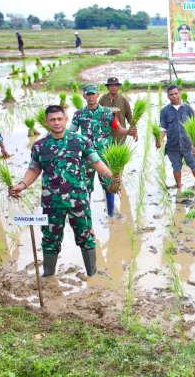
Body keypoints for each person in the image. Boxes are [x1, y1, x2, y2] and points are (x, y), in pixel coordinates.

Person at [9, 105, 120, 278]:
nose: (57, 123)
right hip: (52, 203)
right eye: (52, 120)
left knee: (85, 237)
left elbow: (96, 162)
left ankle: (92, 275)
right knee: (50, 240)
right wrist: (22, 185)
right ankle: (48, 276)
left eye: (60, 119)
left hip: (79, 201)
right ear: (46, 122)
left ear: (65, 119)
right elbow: (34, 170)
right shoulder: (40, 146)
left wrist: (112, 175)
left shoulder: (80, 141)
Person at [70, 84, 134, 217]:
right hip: (86, 156)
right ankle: (86, 215)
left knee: (108, 184)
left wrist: (128, 131)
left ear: (97, 94)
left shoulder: (108, 113)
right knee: (85, 186)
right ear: (84, 96)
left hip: (104, 155)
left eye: (93, 94)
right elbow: (71, 133)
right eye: (88, 94)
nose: (91, 96)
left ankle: (110, 214)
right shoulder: (79, 114)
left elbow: (118, 128)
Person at [158, 84, 195, 190]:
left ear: (179, 94)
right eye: (171, 94)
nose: (174, 96)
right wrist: (159, 140)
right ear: (168, 96)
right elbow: (163, 128)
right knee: (176, 167)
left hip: (188, 144)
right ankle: (179, 187)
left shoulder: (187, 108)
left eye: (176, 93)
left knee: (194, 165)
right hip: (173, 145)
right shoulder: (164, 111)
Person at [98, 77, 133, 144]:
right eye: (111, 85)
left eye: (115, 85)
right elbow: (97, 115)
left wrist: (134, 130)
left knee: (120, 154)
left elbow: (129, 116)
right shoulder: (103, 100)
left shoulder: (123, 100)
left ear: (118, 87)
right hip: (106, 136)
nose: (113, 87)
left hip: (120, 136)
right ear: (108, 87)